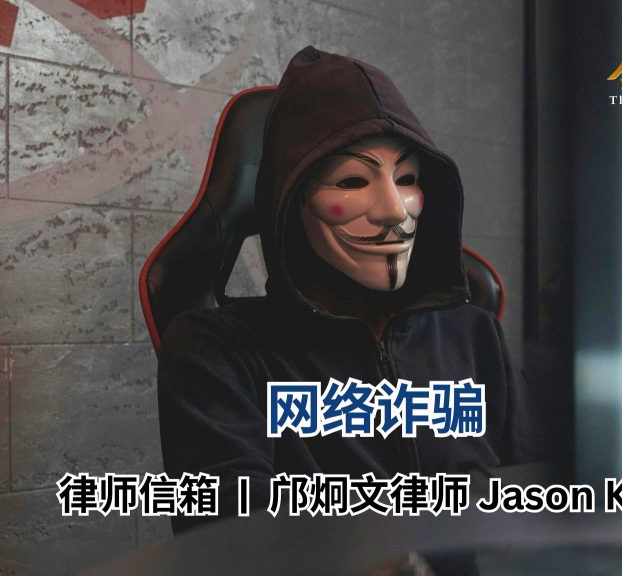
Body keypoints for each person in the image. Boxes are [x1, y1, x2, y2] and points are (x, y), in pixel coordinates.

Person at [158, 46, 545, 532]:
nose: (394, 210)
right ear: (290, 202)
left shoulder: (474, 334)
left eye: (407, 178)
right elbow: (235, 533)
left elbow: (542, 499)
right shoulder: (217, 350)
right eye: (352, 181)